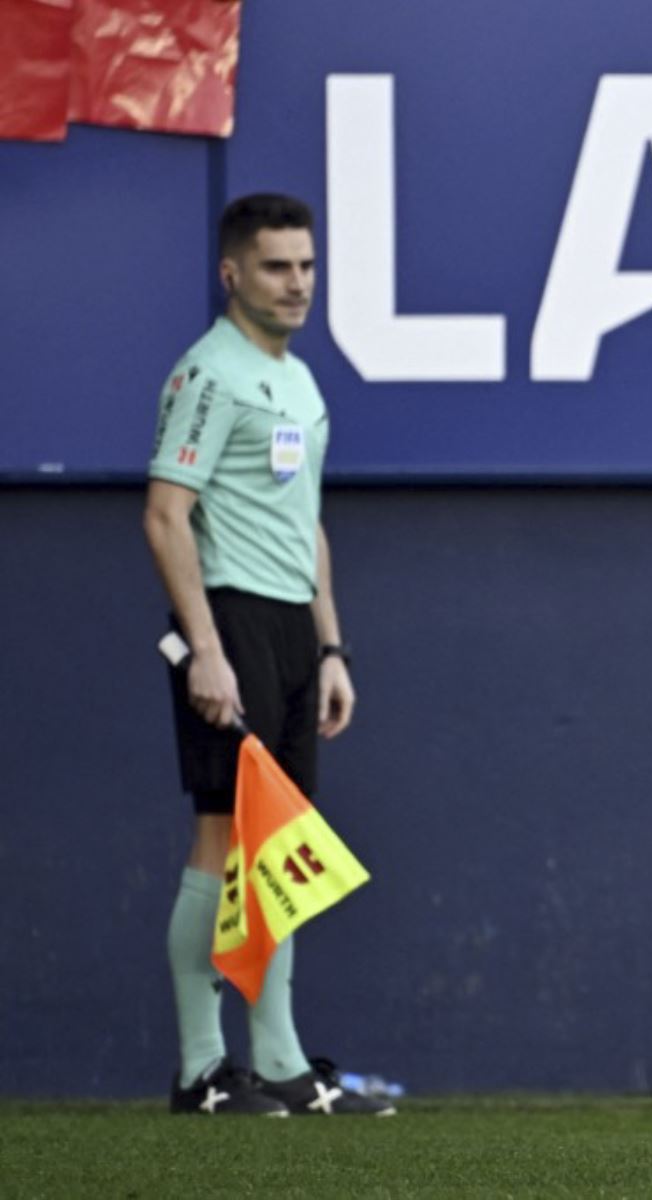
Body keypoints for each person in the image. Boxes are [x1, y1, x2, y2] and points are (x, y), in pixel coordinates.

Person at [144, 193, 390, 1116]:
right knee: (221, 840)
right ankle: (201, 1071)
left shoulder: (298, 380)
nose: (298, 284)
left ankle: (280, 1064)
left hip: (291, 629)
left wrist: (331, 646)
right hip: (230, 621)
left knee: (277, 847)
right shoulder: (209, 374)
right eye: (278, 266)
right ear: (232, 274)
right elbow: (165, 514)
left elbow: (308, 524)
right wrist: (205, 651)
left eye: (308, 266)